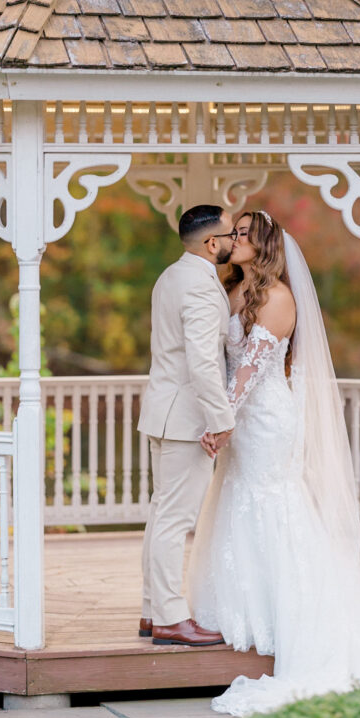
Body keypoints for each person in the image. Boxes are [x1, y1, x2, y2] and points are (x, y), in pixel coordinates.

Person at [188, 210, 360, 715]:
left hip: (264, 417)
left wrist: (219, 421)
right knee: (239, 498)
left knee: (270, 501)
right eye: (233, 234)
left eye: (244, 235)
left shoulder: (279, 298)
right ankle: (245, 608)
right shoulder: (233, 292)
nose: (235, 240)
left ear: (265, 245)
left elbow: (249, 371)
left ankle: (295, 616)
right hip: (239, 418)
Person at [137, 204, 237, 646]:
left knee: (161, 515)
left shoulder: (169, 276)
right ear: (211, 243)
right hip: (185, 419)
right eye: (231, 235)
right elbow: (201, 361)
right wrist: (221, 420)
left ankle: (151, 611)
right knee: (173, 521)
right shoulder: (198, 285)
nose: (235, 241)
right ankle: (171, 618)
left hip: (164, 410)